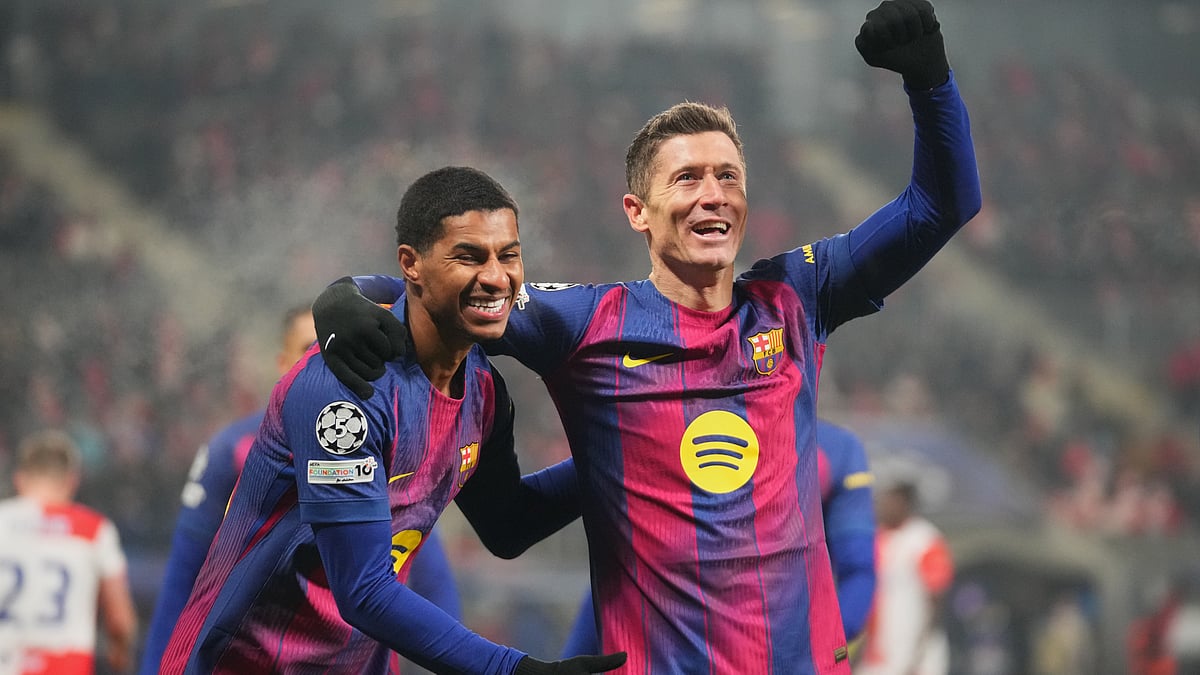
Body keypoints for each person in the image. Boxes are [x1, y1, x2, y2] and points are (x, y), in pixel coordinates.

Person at [313, 1, 980, 671]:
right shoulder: (583, 322)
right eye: (687, 178)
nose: (712, 193)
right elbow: (456, 287)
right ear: (638, 211)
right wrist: (352, 291)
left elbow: (941, 206)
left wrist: (930, 82)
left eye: (728, 177)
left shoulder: (797, 296)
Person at [160, 167, 625, 674]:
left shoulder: (484, 391)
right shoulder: (345, 391)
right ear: (412, 264)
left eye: (508, 254)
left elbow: (508, 525)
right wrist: (510, 669)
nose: (496, 277)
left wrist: (628, 452)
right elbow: (362, 591)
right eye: (468, 256)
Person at [138, 306, 463, 674]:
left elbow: (429, 575)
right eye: (314, 347)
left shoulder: (390, 441)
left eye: (341, 346)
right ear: (284, 363)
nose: (330, 358)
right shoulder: (232, 450)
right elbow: (185, 577)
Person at [558, 418, 877, 657]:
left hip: (769, 645)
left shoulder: (833, 450)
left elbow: (858, 567)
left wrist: (821, 649)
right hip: (669, 642)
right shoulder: (661, 423)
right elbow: (627, 563)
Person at [0, 430, 137, 675]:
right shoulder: (95, 530)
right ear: (73, 480)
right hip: (65, 667)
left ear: (19, 479)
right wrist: (120, 651)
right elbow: (120, 619)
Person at [858, 481, 954, 675]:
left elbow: (936, 602)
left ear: (904, 502)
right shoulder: (877, 537)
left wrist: (917, 655)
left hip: (914, 655)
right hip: (879, 654)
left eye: (890, 500)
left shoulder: (925, 540)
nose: (883, 505)